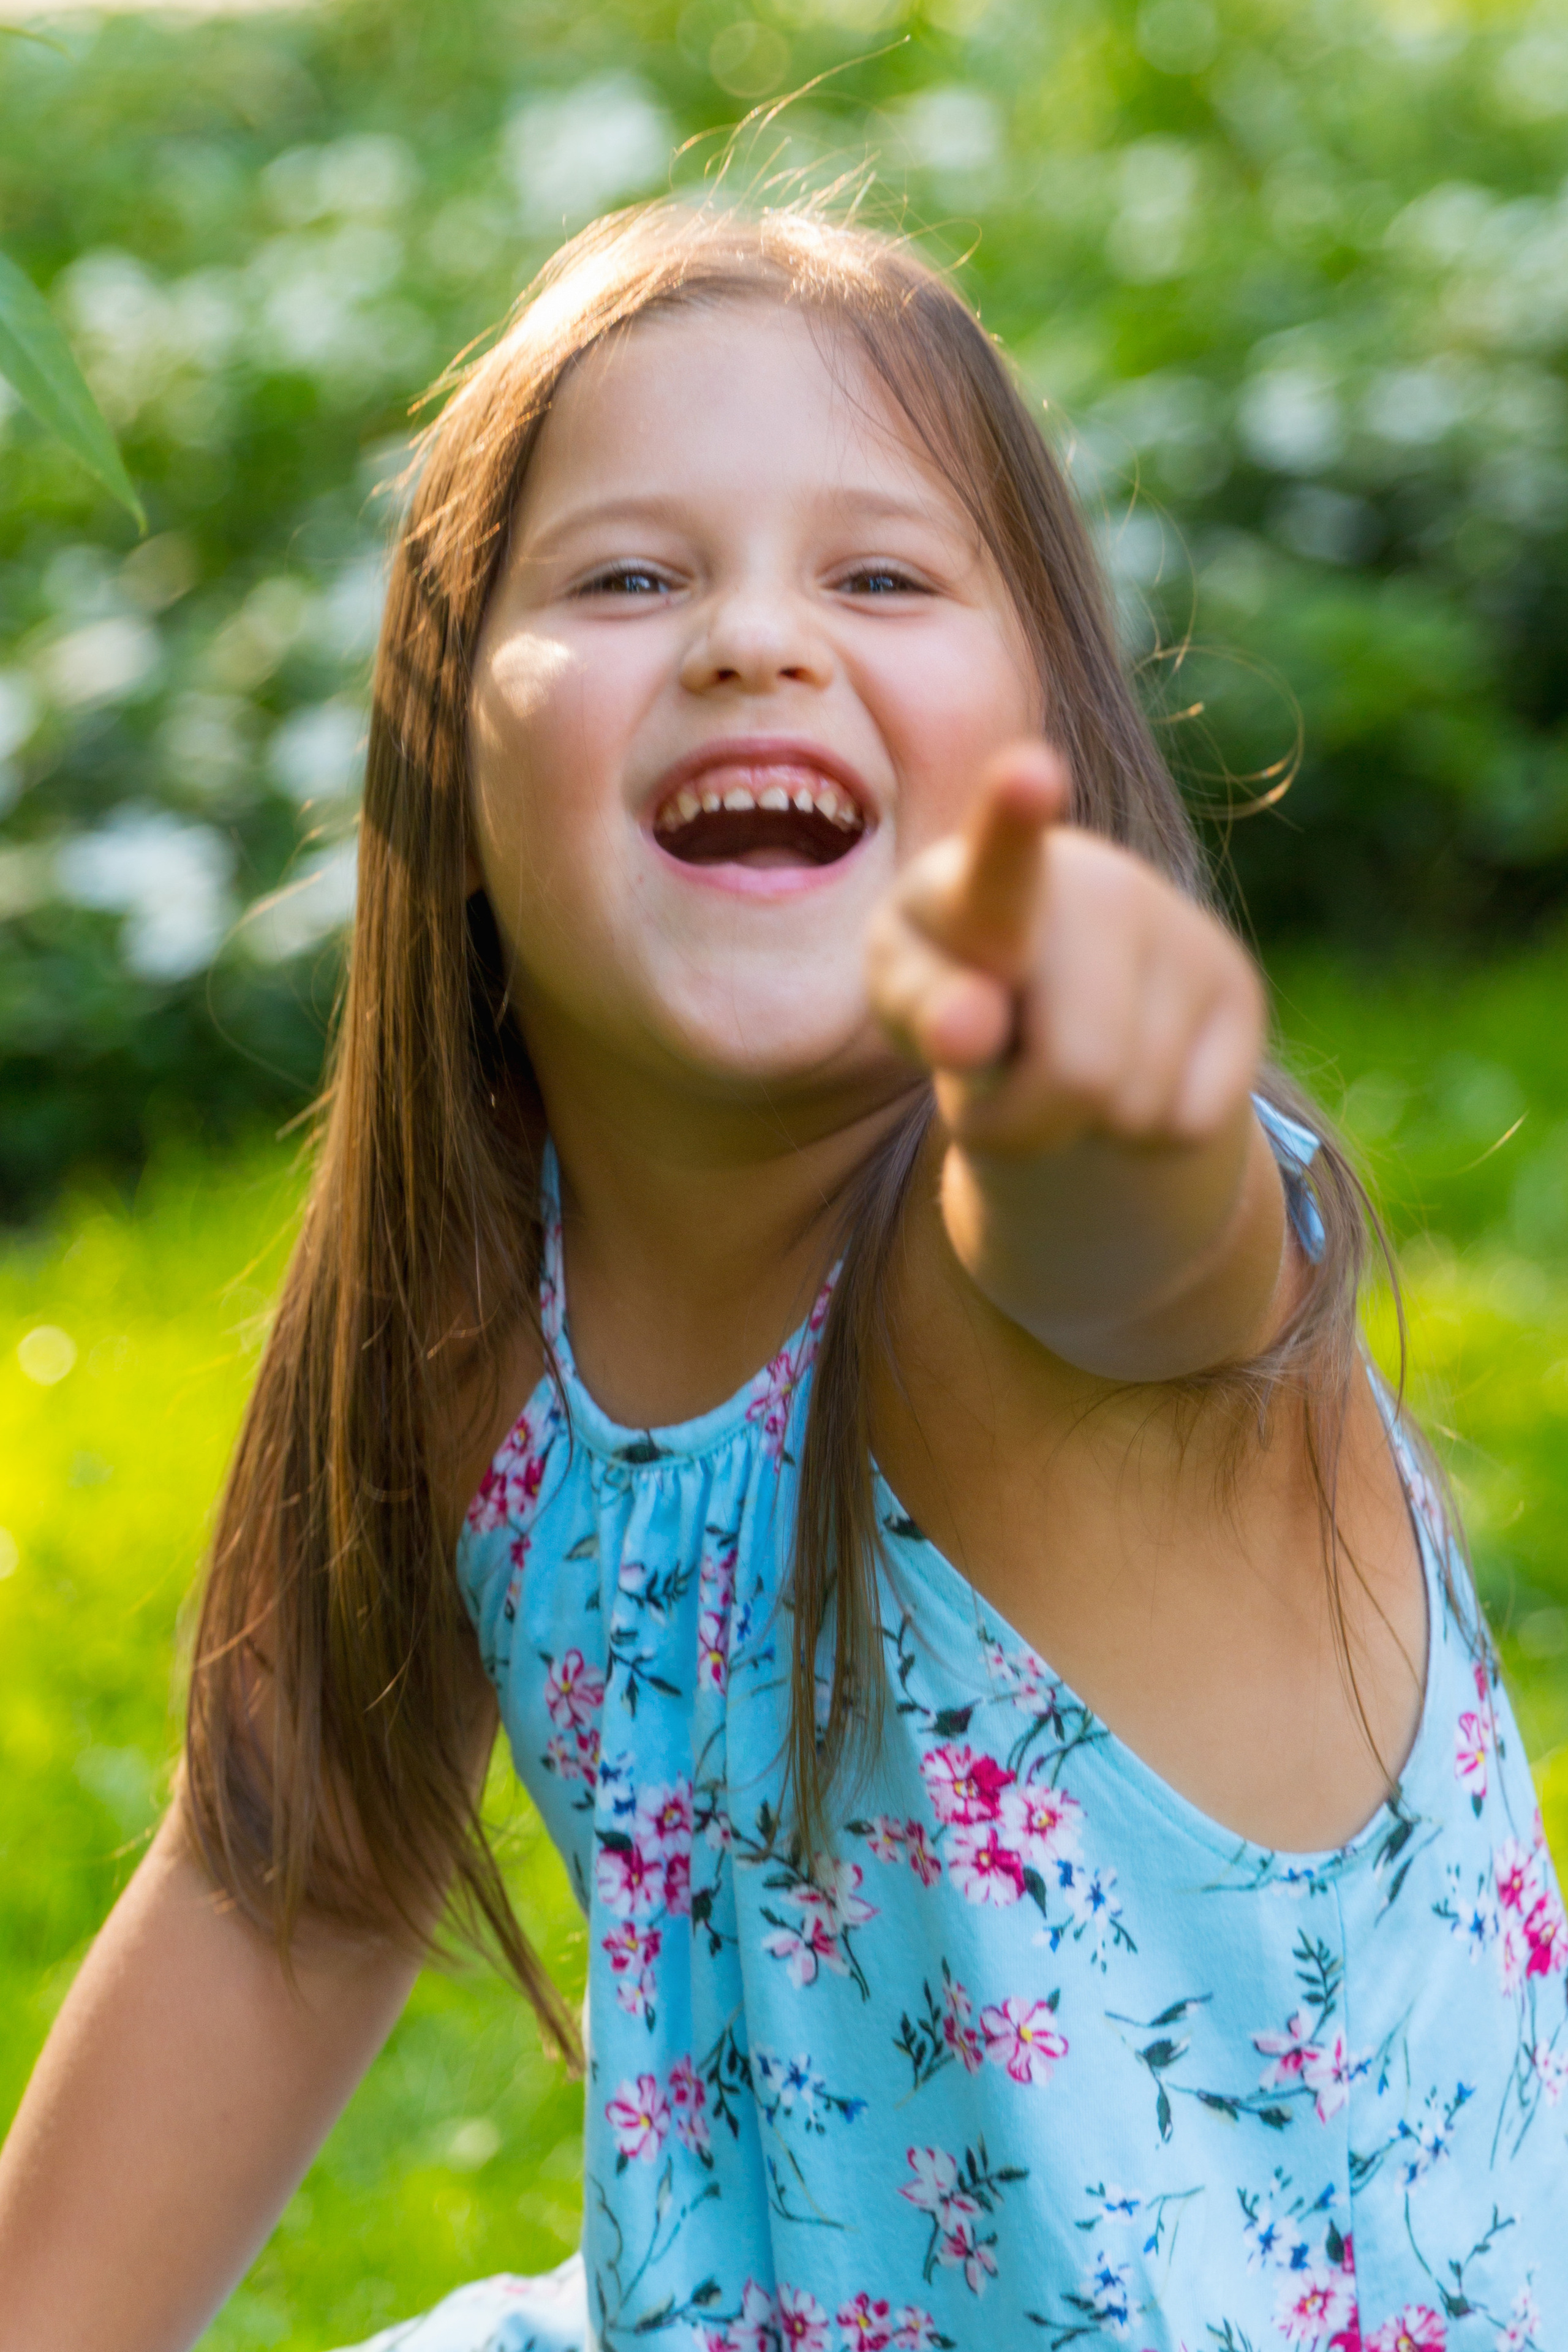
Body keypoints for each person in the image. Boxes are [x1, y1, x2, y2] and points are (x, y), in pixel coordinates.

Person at [1, 200, 1564, 2352]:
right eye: (631, 578)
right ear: (444, 773)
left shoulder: (1026, 1296)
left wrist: (1113, 1099)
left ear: (1053, 759)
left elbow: (1133, 1269)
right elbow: (285, 1871)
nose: (754, 639)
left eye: (882, 576)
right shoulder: (473, 1337)